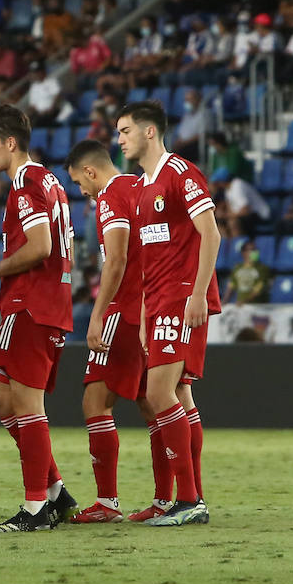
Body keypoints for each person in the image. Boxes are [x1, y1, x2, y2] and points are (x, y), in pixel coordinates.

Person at [115, 100, 221, 526]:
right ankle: (184, 498)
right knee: (178, 395)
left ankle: (190, 500)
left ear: (149, 132)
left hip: (181, 297)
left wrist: (198, 294)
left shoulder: (181, 173)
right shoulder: (141, 188)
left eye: (125, 131)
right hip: (157, 300)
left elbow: (211, 234)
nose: (120, 139)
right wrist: (143, 310)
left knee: (158, 393)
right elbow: (147, 259)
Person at [0, 105, 79, 533]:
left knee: (28, 406)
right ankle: (56, 493)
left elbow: (39, 245)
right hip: (45, 303)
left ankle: (35, 508)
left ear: (10, 143)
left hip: (33, 305)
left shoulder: (27, 184)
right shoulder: (49, 179)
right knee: (6, 404)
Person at [65, 140, 158, 523]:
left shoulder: (110, 197)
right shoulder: (141, 186)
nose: (81, 191)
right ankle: (170, 499)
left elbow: (116, 259)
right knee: (154, 405)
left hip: (124, 309)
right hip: (150, 308)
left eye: (78, 182)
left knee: (95, 403)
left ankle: (107, 502)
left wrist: (99, 313)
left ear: (91, 171)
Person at [226, 239, 273, 304]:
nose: (255, 252)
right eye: (252, 250)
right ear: (243, 252)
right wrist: (224, 301)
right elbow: (230, 287)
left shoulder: (262, 269)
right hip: (239, 305)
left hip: (257, 305)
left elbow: (258, 289)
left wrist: (244, 301)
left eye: (255, 250)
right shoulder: (237, 268)